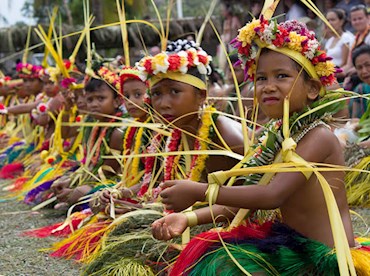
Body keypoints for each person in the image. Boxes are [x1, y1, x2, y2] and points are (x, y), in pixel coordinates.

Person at [152, 17, 370, 275]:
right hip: (292, 246)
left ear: (312, 88)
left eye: (281, 76)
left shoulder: (318, 137)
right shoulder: (277, 136)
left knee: (221, 267)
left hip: (325, 260)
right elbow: (248, 199)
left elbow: (271, 196)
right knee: (211, 257)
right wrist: (187, 218)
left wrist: (200, 191)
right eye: (261, 78)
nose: (268, 86)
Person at [349, 44, 370, 118]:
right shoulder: (360, 90)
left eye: (368, 65)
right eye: (359, 67)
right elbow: (355, 120)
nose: (364, 71)